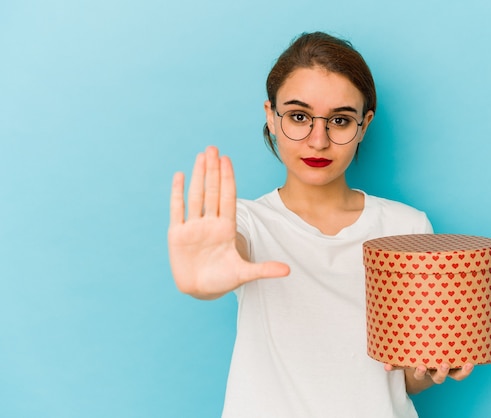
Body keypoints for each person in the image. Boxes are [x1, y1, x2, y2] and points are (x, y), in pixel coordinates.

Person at [168, 31, 473, 418]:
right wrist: (210, 265)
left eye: (340, 121)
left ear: (364, 125)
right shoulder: (245, 221)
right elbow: (230, 247)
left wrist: (433, 367)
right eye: (298, 116)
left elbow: (403, 378)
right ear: (270, 117)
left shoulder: (406, 226)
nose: (318, 140)